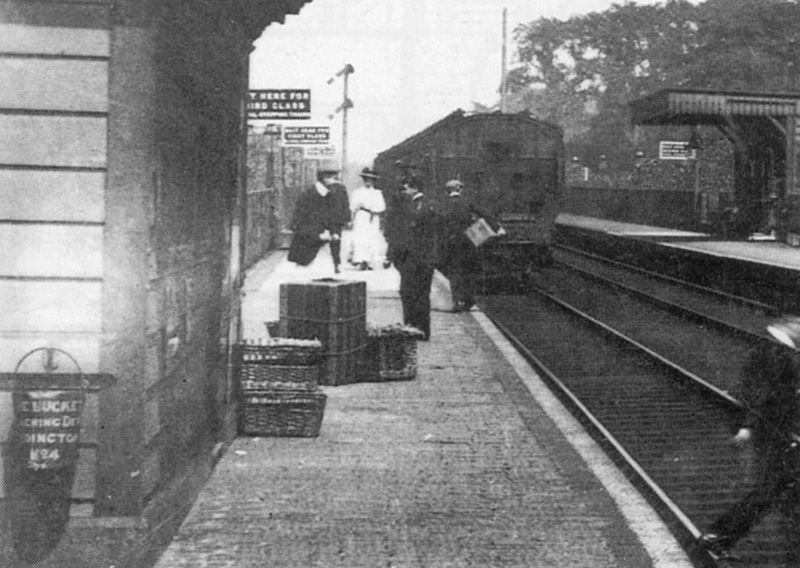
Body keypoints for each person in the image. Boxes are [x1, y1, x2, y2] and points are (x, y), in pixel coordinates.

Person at [700, 316, 800, 562]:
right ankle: (717, 536)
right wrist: (748, 426)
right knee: (771, 490)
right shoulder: (778, 357)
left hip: (782, 433)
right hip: (779, 434)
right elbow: (759, 396)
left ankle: (718, 536)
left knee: (775, 491)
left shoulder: (780, 355)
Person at [439, 179, 503, 312]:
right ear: (459, 189)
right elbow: (485, 214)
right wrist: (497, 228)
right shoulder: (467, 202)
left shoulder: (443, 204)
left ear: (447, 191)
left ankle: (457, 301)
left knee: (454, 272)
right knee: (467, 271)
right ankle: (469, 300)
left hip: (450, 243)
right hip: (467, 242)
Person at [391, 176, 440, 340]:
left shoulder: (410, 207)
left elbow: (404, 235)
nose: (404, 192)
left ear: (414, 189)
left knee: (408, 293)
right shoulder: (432, 205)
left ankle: (411, 329)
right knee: (423, 295)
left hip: (412, 259)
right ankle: (423, 330)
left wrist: (395, 258)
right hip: (426, 259)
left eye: (406, 189)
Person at [287, 168, 349, 273]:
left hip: (328, 234)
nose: (333, 180)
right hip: (312, 237)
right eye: (330, 177)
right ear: (323, 179)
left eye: (333, 177)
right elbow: (302, 219)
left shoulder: (334, 192)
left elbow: (338, 212)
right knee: (308, 268)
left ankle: (335, 264)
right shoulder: (309, 195)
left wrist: (336, 230)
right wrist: (318, 234)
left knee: (327, 261)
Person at [349, 167, 387, 270]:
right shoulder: (357, 192)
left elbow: (381, 207)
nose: (367, 181)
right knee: (360, 238)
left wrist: (372, 208)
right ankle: (361, 261)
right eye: (365, 178)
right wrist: (351, 220)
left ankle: (369, 261)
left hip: (373, 218)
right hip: (361, 217)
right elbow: (353, 206)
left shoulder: (377, 193)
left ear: (373, 181)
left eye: (370, 179)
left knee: (372, 238)